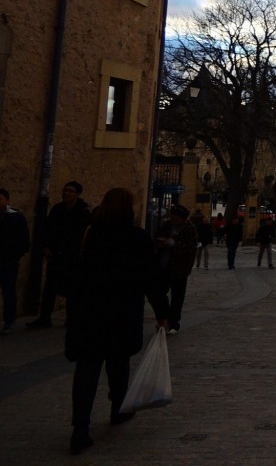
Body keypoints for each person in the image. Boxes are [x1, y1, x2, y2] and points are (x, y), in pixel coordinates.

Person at [64, 187, 164, 454]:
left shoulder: (91, 234)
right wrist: (162, 312)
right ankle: (118, 407)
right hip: (121, 312)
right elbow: (150, 278)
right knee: (118, 364)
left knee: (87, 370)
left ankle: (80, 426)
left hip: (91, 312)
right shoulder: (137, 238)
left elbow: (76, 272)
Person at [28, 181, 91, 329]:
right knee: (50, 287)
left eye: (70, 191)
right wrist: (46, 247)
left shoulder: (83, 212)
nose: (66, 193)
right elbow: (47, 229)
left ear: (77, 194)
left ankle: (71, 318)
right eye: (65, 190)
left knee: (73, 289)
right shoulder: (58, 210)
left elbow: (83, 235)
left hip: (73, 257)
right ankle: (45, 317)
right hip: (56, 255)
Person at [152, 205, 197, 335]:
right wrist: (160, 242)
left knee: (177, 297)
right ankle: (163, 318)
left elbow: (190, 248)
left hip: (180, 269)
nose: (174, 221)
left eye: (176, 219)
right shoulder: (167, 225)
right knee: (158, 294)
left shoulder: (189, 229)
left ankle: (173, 323)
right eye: (172, 218)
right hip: (163, 266)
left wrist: (173, 244)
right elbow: (156, 237)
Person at [0, 188, 30, 335]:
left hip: (8, 261)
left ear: (7, 201)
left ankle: (9, 320)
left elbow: (24, 241)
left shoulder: (16, 218)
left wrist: (14, 256)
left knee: (8, 291)